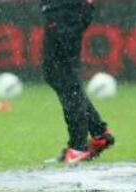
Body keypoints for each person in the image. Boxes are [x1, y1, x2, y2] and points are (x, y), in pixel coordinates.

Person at [40, 0, 115, 164]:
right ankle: (98, 133)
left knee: (64, 75)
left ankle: (78, 146)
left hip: (65, 10)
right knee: (55, 74)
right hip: (60, 10)